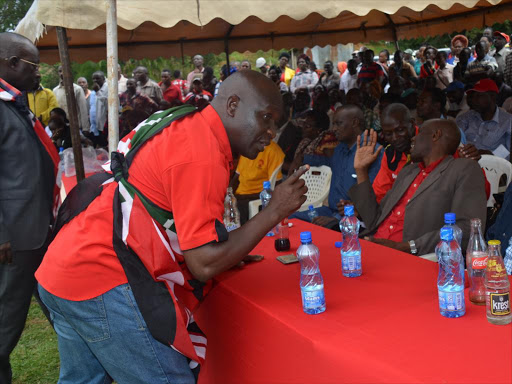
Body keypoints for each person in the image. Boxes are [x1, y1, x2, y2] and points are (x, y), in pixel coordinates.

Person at [35, 70, 308, 383]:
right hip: (103, 278)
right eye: (266, 118)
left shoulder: (186, 123)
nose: (272, 131)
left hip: (66, 267)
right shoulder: (201, 150)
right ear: (232, 105)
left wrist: (229, 249)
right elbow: (203, 262)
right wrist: (275, 210)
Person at [0, 32, 59, 384]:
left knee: (63, 307)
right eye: (34, 65)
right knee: (6, 322)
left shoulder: (14, 101)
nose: (40, 73)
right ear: (12, 64)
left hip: (37, 230)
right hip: (15, 238)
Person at [350, 120, 487, 255]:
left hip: (412, 258)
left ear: (435, 135)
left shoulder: (463, 168)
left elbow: (468, 229)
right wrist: (361, 170)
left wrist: (407, 247)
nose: (413, 138)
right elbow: (373, 220)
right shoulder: (408, 171)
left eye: (420, 133)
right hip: (371, 246)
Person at [290, 105, 382, 228]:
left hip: (353, 218)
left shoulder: (372, 151)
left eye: (338, 123)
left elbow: (370, 201)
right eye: (334, 124)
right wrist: (301, 159)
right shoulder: (340, 148)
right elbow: (326, 162)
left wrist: (335, 219)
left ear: (355, 123)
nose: (333, 129)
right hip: (330, 211)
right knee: (290, 218)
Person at [231, 140, 285, 224]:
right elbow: (236, 177)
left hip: (256, 199)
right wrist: (228, 194)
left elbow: (275, 187)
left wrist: (241, 197)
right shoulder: (247, 148)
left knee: (237, 208)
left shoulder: (273, 151)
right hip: (239, 197)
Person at [456, 78, 512, 159]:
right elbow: (456, 140)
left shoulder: (507, 121)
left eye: (479, 96)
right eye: (473, 96)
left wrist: (492, 155)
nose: (474, 100)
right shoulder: (466, 117)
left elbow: (508, 149)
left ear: (493, 97)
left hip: (493, 166)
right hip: (465, 162)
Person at [53, 65, 90, 133]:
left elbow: (83, 110)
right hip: (62, 128)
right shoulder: (55, 90)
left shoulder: (77, 89)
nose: (62, 73)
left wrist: (85, 128)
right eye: (60, 71)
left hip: (76, 128)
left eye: (63, 70)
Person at [91, 71, 108, 137]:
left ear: (103, 78)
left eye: (97, 78)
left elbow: (107, 102)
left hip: (106, 123)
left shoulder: (108, 87)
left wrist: (98, 91)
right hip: (98, 124)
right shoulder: (95, 90)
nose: (95, 81)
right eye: (93, 79)